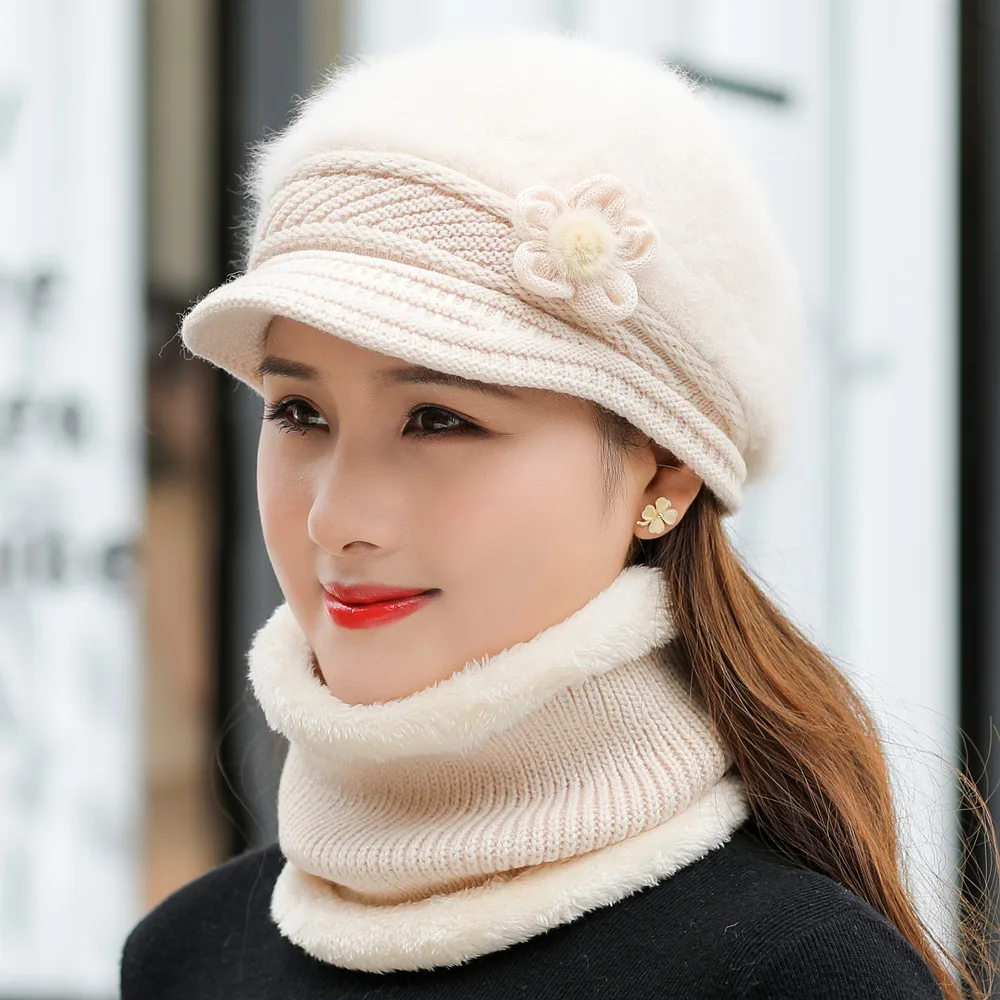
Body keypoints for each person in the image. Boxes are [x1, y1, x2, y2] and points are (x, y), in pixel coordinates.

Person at [120, 29, 986, 999]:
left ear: (665, 473)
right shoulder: (185, 956)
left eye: (438, 419)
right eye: (299, 413)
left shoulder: (795, 974)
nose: (335, 517)